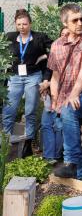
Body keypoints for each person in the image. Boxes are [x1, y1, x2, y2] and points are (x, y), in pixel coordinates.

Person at [50, 4, 82, 181]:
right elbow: (55, 77)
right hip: (65, 96)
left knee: (68, 110)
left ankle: (70, 162)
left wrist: (74, 93)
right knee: (58, 119)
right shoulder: (56, 45)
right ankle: (81, 176)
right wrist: (54, 100)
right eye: (75, 20)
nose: (80, 23)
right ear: (65, 23)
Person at [2, 9, 53, 157]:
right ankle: (6, 144)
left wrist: (44, 55)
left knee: (30, 111)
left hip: (33, 76)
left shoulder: (39, 37)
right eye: (19, 24)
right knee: (9, 110)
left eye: (25, 24)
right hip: (15, 77)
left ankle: (27, 145)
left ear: (30, 23)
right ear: (15, 25)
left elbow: (56, 48)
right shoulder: (10, 37)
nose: (22, 27)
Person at [39, 27, 69, 164]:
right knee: (46, 124)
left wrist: (49, 84)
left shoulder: (75, 54)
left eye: (67, 34)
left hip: (65, 96)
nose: (64, 37)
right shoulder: (55, 51)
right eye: (62, 34)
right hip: (51, 93)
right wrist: (45, 83)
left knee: (58, 126)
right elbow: (48, 70)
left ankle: (56, 156)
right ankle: (48, 156)